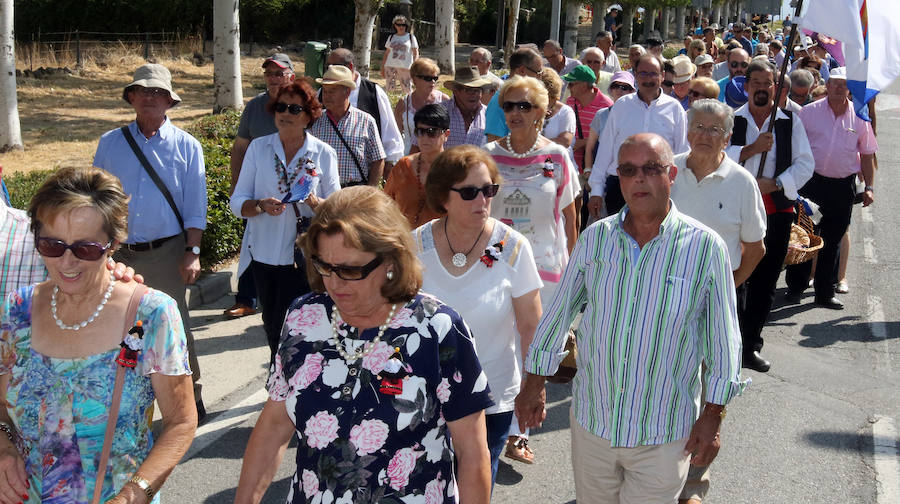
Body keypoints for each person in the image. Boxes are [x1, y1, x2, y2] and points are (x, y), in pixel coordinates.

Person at [516, 133, 747, 504]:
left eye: (651, 168)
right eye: (628, 170)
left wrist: (713, 415)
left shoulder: (705, 248)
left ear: (672, 174)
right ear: (619, 178)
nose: (639, 179)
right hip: (594, 423)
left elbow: (724, 340)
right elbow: (558, 316)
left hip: (664, 431)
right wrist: (533, 383)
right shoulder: (596, 240)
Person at [234, 186, 493, 504]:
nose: (334, 282)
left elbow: (472, 452)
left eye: (350, 269)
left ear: (390, 259)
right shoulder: (302, 316)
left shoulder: (437, 329)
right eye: (324, 265)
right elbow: (275, 423)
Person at [0, 166, 196, 502]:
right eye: (52, 245)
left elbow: (181, 422)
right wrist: (3, 447)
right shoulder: (18, 311)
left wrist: (134, 494)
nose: (67, 262)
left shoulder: (150, 315)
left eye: (86, 249)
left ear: (113, 243)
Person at [414, 145, 542, 485]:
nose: (482, 200)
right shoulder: (415, 246)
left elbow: (531, 325)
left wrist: (535, 384)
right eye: (470, 192)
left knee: (473, 487)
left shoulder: (511, 247)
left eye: (489, 190)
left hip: (491, 396)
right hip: (423, 396)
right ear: (443, 195)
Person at [93, 63, 207, 417]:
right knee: (126, 329)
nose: (148, 98)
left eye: (156, 92)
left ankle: (191, 398)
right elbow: (97, 199)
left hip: (168, 252)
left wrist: (192, 251)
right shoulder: (110, 143)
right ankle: (134, 403)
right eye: (141, 91)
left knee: (175, 325)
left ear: (169, 102)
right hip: (120, 252)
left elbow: (195, 205)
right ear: (131, 98)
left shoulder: (187, 146)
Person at [671, 100, 766, 503]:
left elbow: (756, 248)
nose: (705, 135)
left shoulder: (742, 182)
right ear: (687, 130)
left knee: (712, 395)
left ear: (728, 137)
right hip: (665, 296)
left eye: (715, 129)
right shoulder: (667, 170)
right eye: (699, 126)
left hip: (717, 299)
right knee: (667, 384)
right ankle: (654, 474)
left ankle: (693, 486)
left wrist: (729, 287)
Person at [484, 75, 578, 465]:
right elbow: (480, 213)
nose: (515, 113)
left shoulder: (556, 156)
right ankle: (492, 419)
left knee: (532, 352)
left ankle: (518, 431)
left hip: (545, 271)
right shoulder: (487, 152)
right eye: (509, 105)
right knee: (496, 346)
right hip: (497, 263)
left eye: (524, 106)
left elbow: (570, 217)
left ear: (542, 112)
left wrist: (576, 270)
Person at [230, 80, 341, 366]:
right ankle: (279, 384)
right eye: (281, 106)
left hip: (305, 257)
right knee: (273, 323)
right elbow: (237, 201)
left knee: (305, 327)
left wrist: (316, 204)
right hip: (264, 253)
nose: (286, 113)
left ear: (308, 115)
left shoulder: (323, 153)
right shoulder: (258, 148)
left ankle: (302, 384)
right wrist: (258, 206)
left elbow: (338, 211)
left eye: (294, 108)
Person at [726, 60, 814, 372]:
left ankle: (750, 345)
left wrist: (776, 182)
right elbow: (718, 160)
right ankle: (728, 344)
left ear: (774, 88)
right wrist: (750, 150)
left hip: (776, 210)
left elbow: (805, 164)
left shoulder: (790, 121)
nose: (762, 88)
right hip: (736, 210)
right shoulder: (731, 119)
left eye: (768, 83)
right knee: (735, 278)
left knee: (765, 281)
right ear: (746, 85)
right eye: (757, 83)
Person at [784, 68, 877, 309]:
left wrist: (869, 187)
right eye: (834, 83)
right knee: (804, 236)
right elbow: (793, 146)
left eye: (843, 84)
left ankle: (825, 293)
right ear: (828, 84)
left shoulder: (859, 116)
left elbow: (867, 154)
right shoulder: (809, 112)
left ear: (849, 88)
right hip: (811, 184)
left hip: (841, 187)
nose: (838, 88)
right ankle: (795, 288)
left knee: (832, 240)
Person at [226, 53, 296, 320]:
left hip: (293, 195)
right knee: (251, 244)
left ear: (291, 75)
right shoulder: (255, 106)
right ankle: (247, 298)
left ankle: (289, 300)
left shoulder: (301, 105)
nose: (273, 79)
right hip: (258, 193)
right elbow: (240, 147)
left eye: (279, 73)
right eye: (269, 74)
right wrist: (237, 188)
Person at [589, 54, 689, 219]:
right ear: (635, 75)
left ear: (662, 76)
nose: (648, 79)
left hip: (659, 186)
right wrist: (596, 190)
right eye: (643, 73)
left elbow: (681, 152)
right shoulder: (621, 106)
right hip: (621, 184)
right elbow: (605, 149)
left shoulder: (674, 109)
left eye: (653, 74)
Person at [326, 48, 404, 174]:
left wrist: (389, 168)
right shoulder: (321, 94)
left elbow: (390, 134)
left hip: (364, 177)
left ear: (350, 66)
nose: (331, 70)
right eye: (327, 66)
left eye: (335, 66)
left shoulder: (374, 92)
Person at [309, 65, 385, 187]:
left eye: (332, 91)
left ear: (347, 92)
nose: (326, 96)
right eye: (325, 91)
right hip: (323, 192)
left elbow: (378, 159)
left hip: (355, 193)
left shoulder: (366, 121)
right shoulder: (315, 121)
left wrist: (370, 190)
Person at [384, 104, 450, 228]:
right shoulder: (403, 167)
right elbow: (385, 205)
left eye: (431, 132)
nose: (424, 137)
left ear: (446, 134)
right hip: (405, 241)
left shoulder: (456, 170)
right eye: (420, 131)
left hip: (443, 243)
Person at [583, 71, 636, 190]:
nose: (619, 90)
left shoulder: (637, 116)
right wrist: (588, 172)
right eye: (615, 86)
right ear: (610, 90)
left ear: (632, 91)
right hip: (602, 178)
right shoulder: (601, 115)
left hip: (629, 177)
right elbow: (590, 147)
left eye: (625, 87)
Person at [484, 47, 544, 142]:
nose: (540, 77)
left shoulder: (529, 98)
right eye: (538, 72)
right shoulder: (499, 101)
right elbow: (494, 144)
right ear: (522, 70)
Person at [392, 57, 449, 154]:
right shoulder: (403, 103)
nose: (432, 82)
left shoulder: (444, 101)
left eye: (435, 78)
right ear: (414, 79)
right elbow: (395, 135)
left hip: (437, 158)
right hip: (409, 157)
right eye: (428, 78)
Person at [431, 66, 489, 149]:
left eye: (477, 90)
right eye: (468, 90)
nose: (473, 94)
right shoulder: (437, 113)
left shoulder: (489, 115)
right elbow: (417, 148)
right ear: (456, 91)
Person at [381, 15, 419, 95]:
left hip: (405, 66)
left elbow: (415, 52)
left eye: (403, 25)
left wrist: (415, 65)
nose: (401, 27)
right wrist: (382, 68)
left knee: (407, 89)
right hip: (390, 66)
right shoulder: (391, 37)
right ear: (395, 25)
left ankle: (408, 106)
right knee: (389, 89)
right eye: (398, 25)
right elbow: (386, 54)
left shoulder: (411, 37)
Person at [539, 69, 576, 149]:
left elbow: (565, 141)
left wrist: (535, 145)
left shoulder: (566, 112)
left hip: (557, 159)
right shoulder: (528, 110)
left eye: (549, 97)